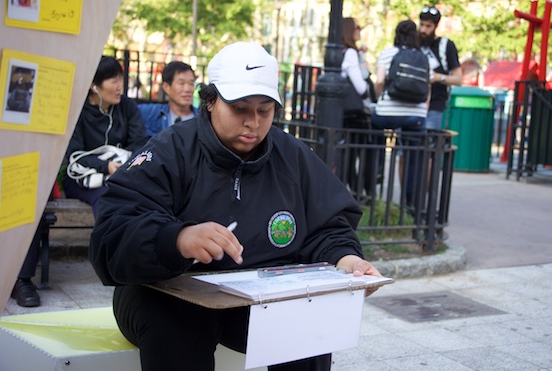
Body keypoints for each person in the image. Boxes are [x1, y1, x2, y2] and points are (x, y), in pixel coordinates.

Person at [89, 41, 382, 371]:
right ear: (210, 101)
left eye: (264, 111)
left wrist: (346, 260)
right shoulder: (170, 151)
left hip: (257, 297)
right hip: (165, 291)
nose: (253, 123)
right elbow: (112, 233)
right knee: (175, 323)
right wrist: (176, 239)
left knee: (306, 321)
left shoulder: (292, 156)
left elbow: (326, 227)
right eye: (240, 109)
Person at [64, 56, 148, 216]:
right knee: (107, 199)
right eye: (113, 81)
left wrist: (124, 164)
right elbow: (75, 155)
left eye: (120, 80)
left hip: (123, 174)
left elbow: (140, 143)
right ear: (93, 85)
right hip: (85, 178)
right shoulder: (78, 111)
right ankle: (108, 241)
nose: (119, 87)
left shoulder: (127, 106)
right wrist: (106, 166)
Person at [372, 19, 429, 208]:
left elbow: (380, 81)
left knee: (374, 128)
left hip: (388, 112)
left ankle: (377, 168)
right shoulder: (423, 56)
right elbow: (427, 89)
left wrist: (379, 100)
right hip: (416, 115)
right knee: (413, 158)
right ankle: (411, 203)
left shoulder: (388, 53)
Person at [341, 17, 376, 196]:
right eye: (356, 28)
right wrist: (365, 92)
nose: (359, 31)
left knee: (344, 152)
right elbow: (360, 83)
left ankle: (353, 189)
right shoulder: (350, 53)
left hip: (342, 112)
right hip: (355, 113)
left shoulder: (339, 51)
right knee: (358, 152)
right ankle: (358, 191)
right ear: (349, 30)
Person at [419, 5, 462, 130]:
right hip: (412, 104)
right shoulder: (414, 44)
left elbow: (458, 79)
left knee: (430, 144)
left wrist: (438, 77)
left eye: (428, 26)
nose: (423, 30)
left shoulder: (445, 45)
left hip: (435, 105)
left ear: (435, 27)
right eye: (421, 25)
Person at [137, 61, 199, 136]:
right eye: (181, 83)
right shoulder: (152, 113)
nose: (187, 89)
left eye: (191, 84)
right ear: (166, 87)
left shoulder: (203, 119)